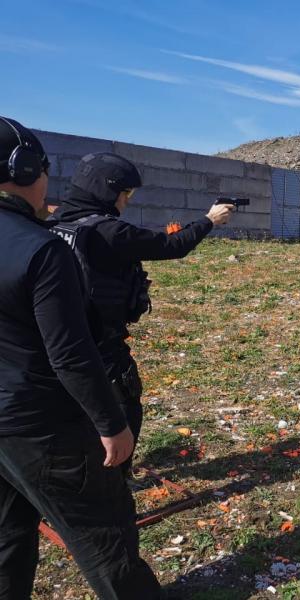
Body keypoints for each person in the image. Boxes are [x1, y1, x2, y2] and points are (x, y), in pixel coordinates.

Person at [0, 117, 161, 598]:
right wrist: (111, 424)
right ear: (27, 169)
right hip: (41, 425)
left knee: (8, 536)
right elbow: (70, 353)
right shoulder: (39, 248)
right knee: (105, 538)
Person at [51, 153, 234, 475]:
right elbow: (171, 245)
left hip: (56, 342)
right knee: (123, 410)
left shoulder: (54, 221)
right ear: (108, 191)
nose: (126, 200)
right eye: (126, 193)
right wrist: (209, 220)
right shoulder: (107, 232)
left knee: (72, 417)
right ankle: (113, 486)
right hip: (101, 345)